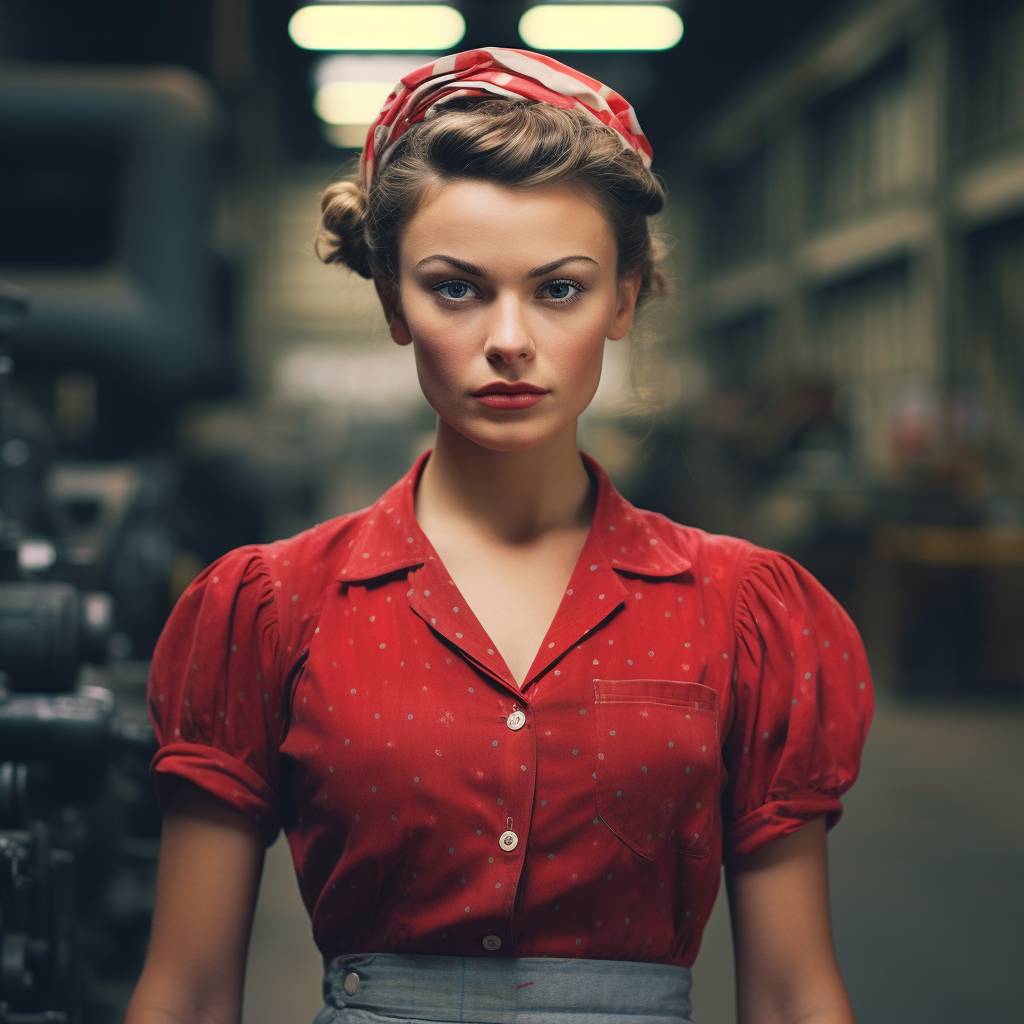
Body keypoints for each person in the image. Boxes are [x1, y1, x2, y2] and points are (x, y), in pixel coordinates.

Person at [125, 48, 872, 1024]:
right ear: (394, 302)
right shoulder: (271, 604)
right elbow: (183, 990)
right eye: (456, 288)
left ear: (626, 298)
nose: (508, 337)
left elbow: (790, 993)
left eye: (558, 289)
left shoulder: (744, 611)